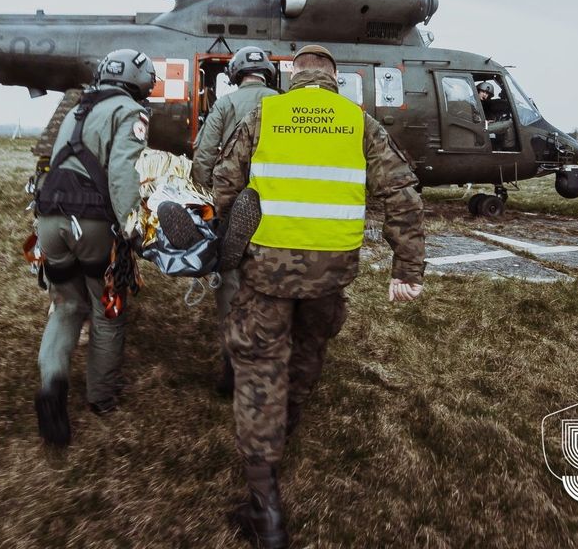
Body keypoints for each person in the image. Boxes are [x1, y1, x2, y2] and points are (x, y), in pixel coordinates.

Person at [212, 44, 426, 548]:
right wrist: (408, 265)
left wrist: (221, 239)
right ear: (335, 79)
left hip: (267, 270)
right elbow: (402, 193)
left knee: (261, 365)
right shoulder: (358, 122)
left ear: (293, 77)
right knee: (308, 351)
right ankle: (286, 424)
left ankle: (265, 506)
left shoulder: (267, 114)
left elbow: (223, 183)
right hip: (332, 272)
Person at [33, 48, 156, 447]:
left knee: (67, 306)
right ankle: (101, 397)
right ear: (140, 82)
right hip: (92, 224)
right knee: (107, 311)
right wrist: (133, 228)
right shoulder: (131, 113)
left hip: (49, 220)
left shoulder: (76, 109)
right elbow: (122, 174)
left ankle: (52, 384)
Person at [191, 46, 278, 396]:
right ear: (267, 73)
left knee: (230, 280)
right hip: (274, 206)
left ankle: (230, 364)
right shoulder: (282, 103)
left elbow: (205, 153)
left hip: (234, 202)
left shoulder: (225, 104)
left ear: (236, 74)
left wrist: (201, 190)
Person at [476, 81, 515, 150]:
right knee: (509, 124)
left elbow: (497, 103)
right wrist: (485, 122)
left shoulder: (483, 103)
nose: (484, 94)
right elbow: (471, 116)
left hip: (482, 126)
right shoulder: (474, 102)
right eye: (482, 91)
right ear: (478, 91)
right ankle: (509, 150)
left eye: (487, 93)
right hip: (479, 127)